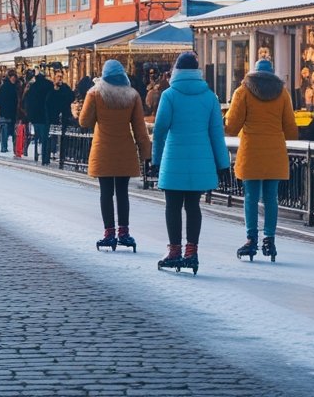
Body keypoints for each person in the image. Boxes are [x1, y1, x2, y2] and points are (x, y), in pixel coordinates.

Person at [151, 51, 230, 274]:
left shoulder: (169, 95)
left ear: (176, 70)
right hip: (200, 162)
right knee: (193, 206)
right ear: (197, 71)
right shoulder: (209, 97)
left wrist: (155, 159)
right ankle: (191, 252)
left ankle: (174, 251)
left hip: (173, 159)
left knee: (173, 206)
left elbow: (159, 130)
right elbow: (217, 133)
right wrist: (223, 164)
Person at [223, 58, 299, 262]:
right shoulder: (282, 93)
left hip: (251, 151)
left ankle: (251, 239)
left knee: (251, 197)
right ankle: (269, 239)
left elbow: (231, 125)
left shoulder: (243, 92)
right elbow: (290, 127)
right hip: (274, 152)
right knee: (271, 198)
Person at [79, 60, 151, 251]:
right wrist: (145, 152)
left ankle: (109, 233)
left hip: (103, 150)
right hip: (125, 150)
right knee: (122, 193)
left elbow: (84, 121)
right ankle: (124, 233)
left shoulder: (94, 94)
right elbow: (139, 128)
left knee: (105, 193)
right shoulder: (132, 96)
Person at [24, 68, 54, 165]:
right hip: (45, 115)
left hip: (35, 116)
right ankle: (45, 158)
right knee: (46, 137)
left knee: (37, 136)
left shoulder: (33, 87)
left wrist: (29, 115)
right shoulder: (49, 85)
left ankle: (37, 155)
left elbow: (28, 101)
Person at [0, 71, 19, 153]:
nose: (14, 79)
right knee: (6, 130)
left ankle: (7, 148)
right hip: (6, 112)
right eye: (13, 77)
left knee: (7, 130)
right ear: (10, 77)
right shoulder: (8, 87)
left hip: (8, 112)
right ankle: (5, 147)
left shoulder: (7, 87)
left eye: (15, 77)